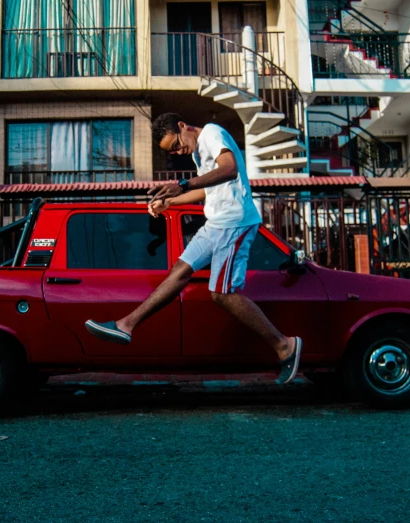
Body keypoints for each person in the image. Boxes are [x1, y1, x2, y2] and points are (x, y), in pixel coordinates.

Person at [84, 113, 302, 384]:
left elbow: (230, 168)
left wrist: (182, 184)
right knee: (179, 271)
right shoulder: (199, 152)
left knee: (223, 294)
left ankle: (285, 346)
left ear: (182, 126)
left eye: (175, 145)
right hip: (215, 223)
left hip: (234, 222)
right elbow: (209, 190)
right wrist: (170, 203)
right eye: (172, 151)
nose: (178, 151)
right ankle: (125, 326)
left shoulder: (211, 133)